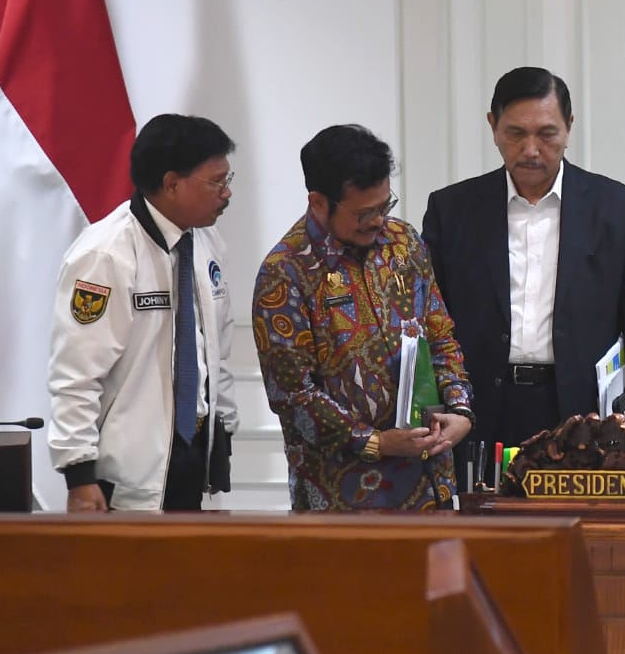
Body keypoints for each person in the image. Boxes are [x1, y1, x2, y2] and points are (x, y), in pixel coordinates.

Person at [421, 66, 625, 455]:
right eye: (516, 134)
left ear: (569, 127)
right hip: (480, 407)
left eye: (547, 134)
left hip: (581, 412)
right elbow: (430, 322)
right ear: (493, 126)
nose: (531, 150)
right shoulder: (452, 210)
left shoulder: (618, 210)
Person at [253, 124, 474, 511]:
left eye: (384, 206)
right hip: (341, 496)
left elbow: (440, 336)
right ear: (319, 202)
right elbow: (294, 396)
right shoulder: (286, 273)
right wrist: (376, 442)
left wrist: (459, 410)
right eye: (364, 212)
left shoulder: (403, 243)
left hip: (428, 484)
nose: (377, 220)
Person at [47, 114, 238, 511]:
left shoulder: (206, 241)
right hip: (126, 474)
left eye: (227, 180)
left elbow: (216, 351)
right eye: (216, 182)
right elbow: (77, 375)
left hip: (192, 456)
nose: (227, 194)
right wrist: (78, 475)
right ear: (171, 183)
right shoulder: (106, 254)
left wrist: (225, 431)